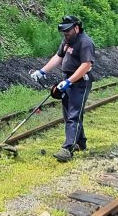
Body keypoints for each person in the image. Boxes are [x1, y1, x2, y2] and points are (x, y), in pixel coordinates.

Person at [30, 15, 95, 162]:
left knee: (74, 114)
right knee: (68, 113)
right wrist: (42, 71)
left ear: (76, 28)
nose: (65, 34)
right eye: (64, 32)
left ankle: (67, 149)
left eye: (68, 31)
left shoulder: (85, 42)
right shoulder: (67, 40)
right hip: (68, 79)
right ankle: (80, 143)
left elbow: (86, 65)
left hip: (80, 82)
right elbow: (58, 56)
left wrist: (69, 81)